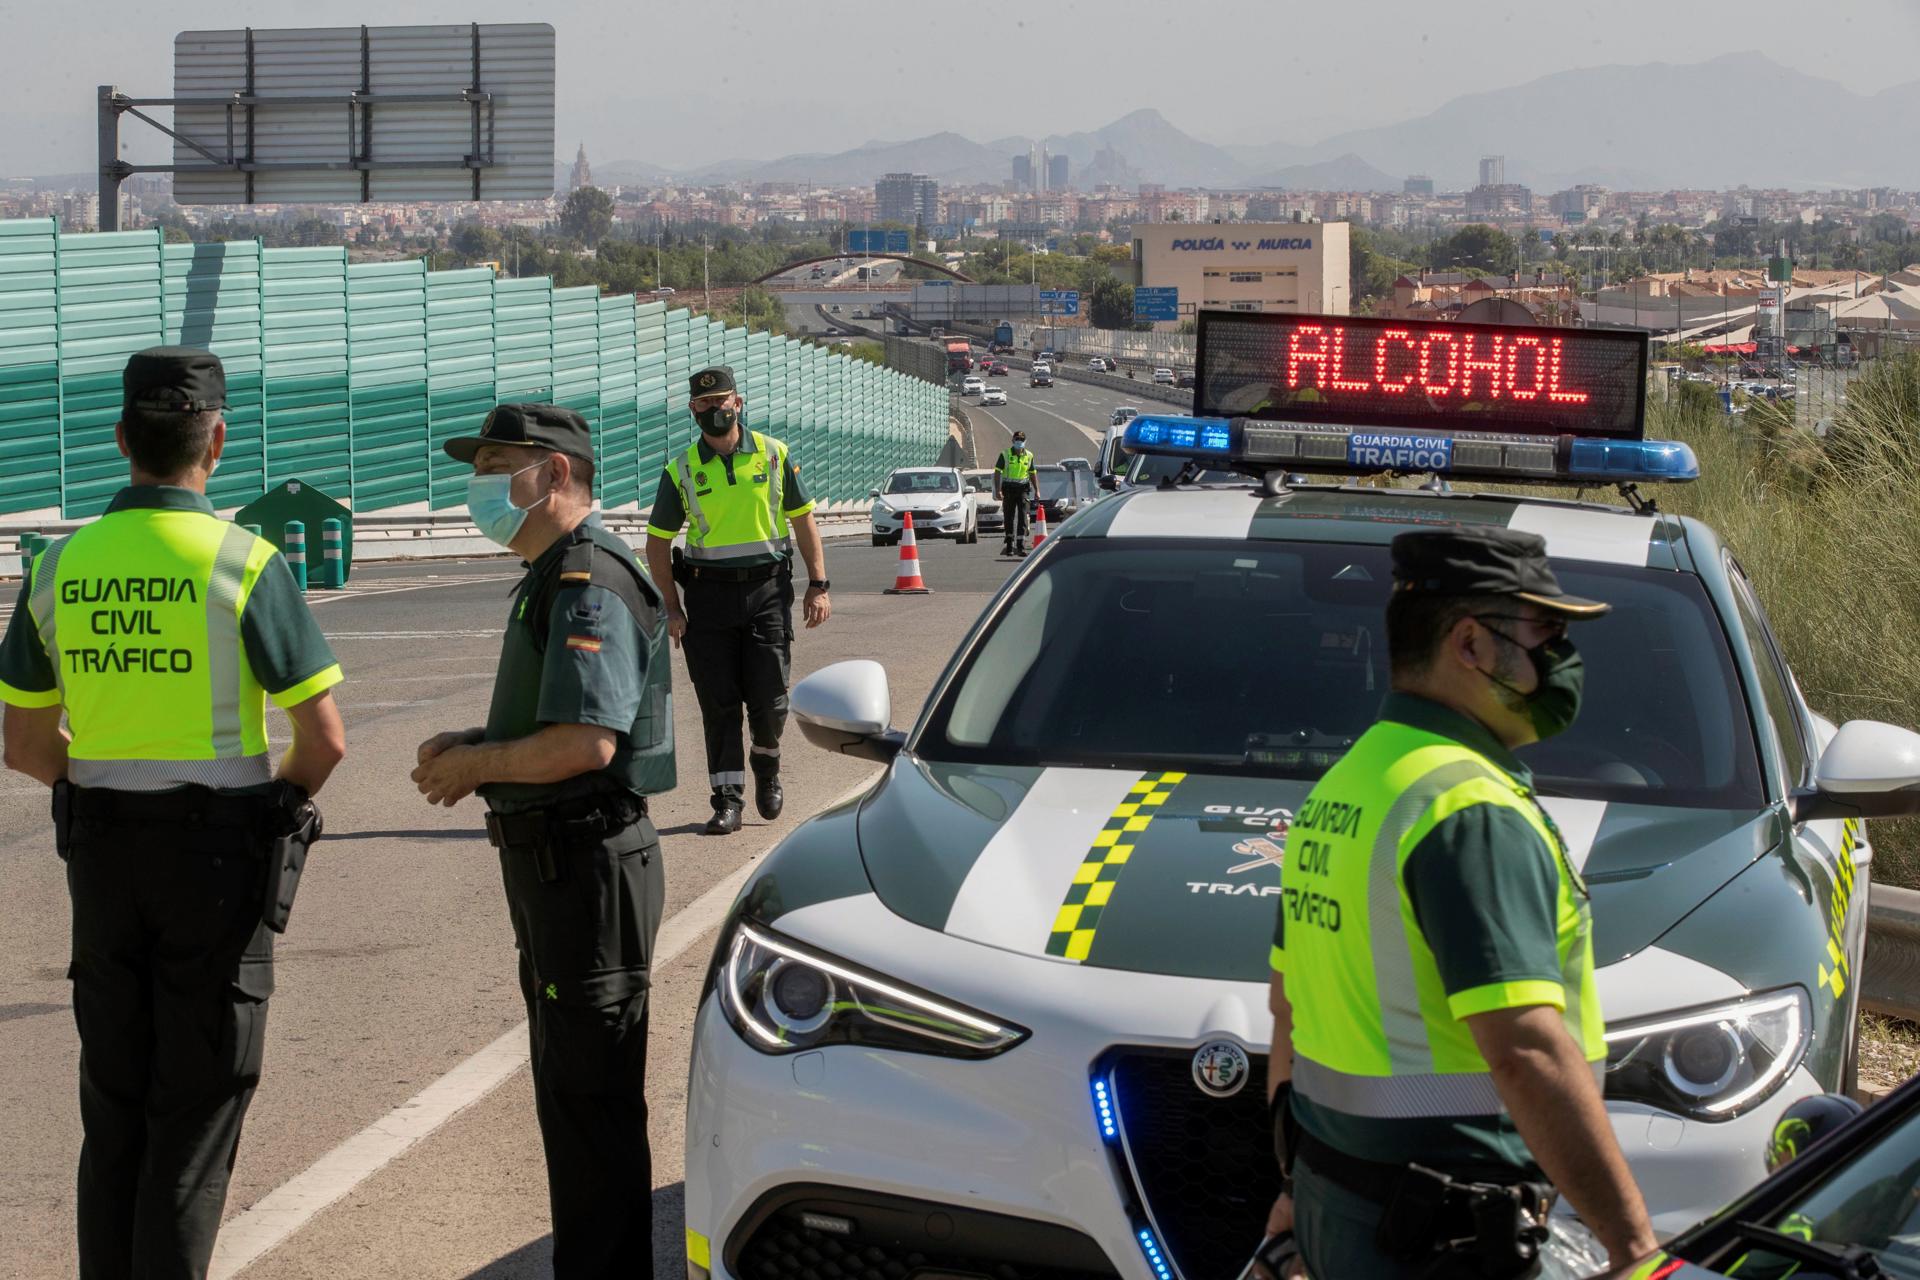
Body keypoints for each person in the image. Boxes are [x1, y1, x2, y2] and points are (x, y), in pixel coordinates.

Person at [0, 346, 346, 1280]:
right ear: (217, 441)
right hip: (220, 858)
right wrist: (274, 804)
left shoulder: (57, 565)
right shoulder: (244, 559)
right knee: (196, 1111)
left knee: (113, 1103)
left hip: (102, 855)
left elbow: (26, 747)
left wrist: (104, 788)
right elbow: (323, 739)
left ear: (121, 440)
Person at [1259, 526, 1657, 1279]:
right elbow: (1526, 1052)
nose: (1562, 658)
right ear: (1470, 644)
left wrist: (1294, 1191)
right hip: (1446, 1235)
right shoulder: (1467, 809)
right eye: (1547, 632)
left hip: (1339, 1209)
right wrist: (1635, 1247)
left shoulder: (1349, 785)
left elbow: (1289, 1012)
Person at [412, 402, 676, 1278]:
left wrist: (476, 768)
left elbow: (585, 744)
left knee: (591, 1106)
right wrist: (471, 746)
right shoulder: (556, 571)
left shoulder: (589, 579)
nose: (482, 485)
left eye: (498, 466)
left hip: (587, 866)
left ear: (555, 473)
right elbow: (556, 719)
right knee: (574, 1100)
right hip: (561, 866)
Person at [643, 365, 830, 837]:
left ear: (738, 403)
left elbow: (804, 521)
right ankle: (727, 799)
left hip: (768, 592)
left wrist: (819, 584)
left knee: (770, 703)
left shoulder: (773, 454)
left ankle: (767, 769)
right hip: (707, 599)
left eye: (721, 401)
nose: (714, 411)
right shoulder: (681, 469)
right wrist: (671, 606)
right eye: (703, 405)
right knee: (719, 705)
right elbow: (657, 542)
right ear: (693, 411)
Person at [994, 430, 1037, 556]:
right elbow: (997, 472)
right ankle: (1009, 545)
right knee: (1009, 516)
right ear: (1013, 441)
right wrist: (998, 490)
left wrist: (1037, 490)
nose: (1019, 442)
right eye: (1017, 440)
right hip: (1008, 489)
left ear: (1025, 442)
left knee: (1023, 517)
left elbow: (1033, 473)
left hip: (1023, 489)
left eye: (1021, 440)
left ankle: (1021, 545)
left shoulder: (1029, 455)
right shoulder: (1005, 454)